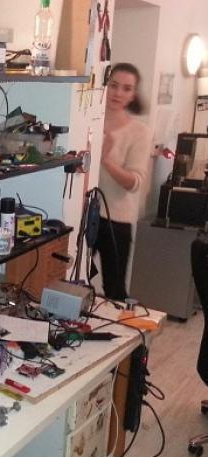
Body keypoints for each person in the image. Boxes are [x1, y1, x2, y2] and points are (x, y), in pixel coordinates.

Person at [95, 62, 152, 301]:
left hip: (116, 220)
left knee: (115, 289)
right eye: (113, 85)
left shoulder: (139, 131)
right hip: (85, 214)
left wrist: (105, 159)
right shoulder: (89, 121)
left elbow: (134, 183)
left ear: (133, 95)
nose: (118, 93)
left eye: (126, 88)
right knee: (72, 278)